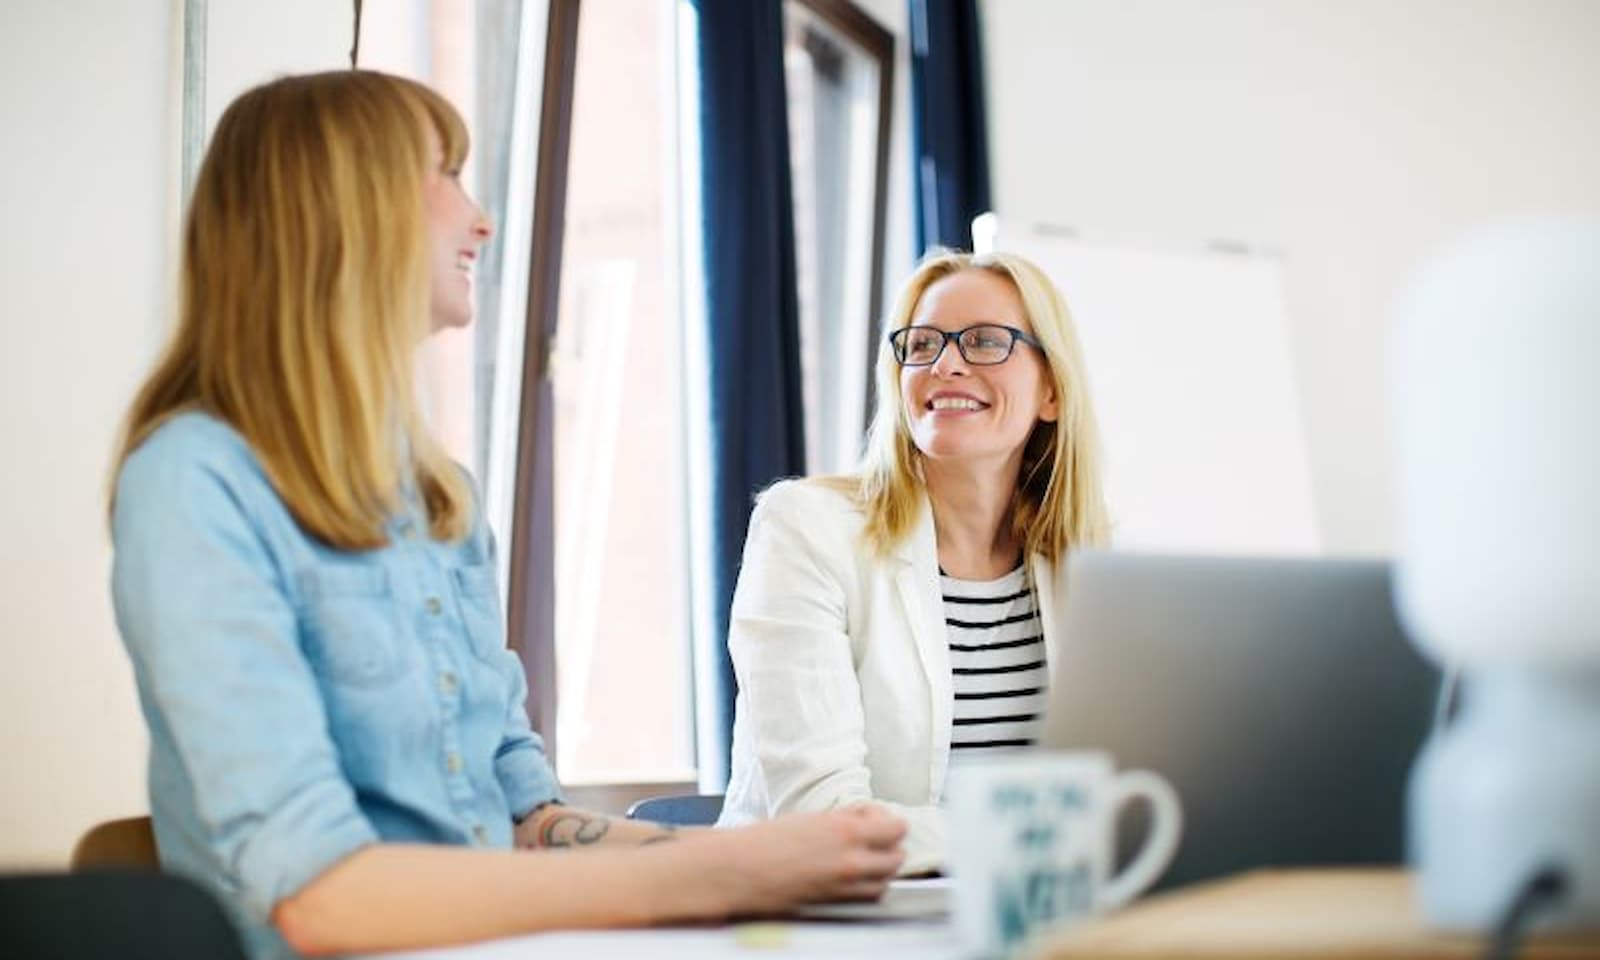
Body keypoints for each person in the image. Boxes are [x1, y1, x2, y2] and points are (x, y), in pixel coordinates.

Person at [108, 70, 904, 960]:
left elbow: (526, 817)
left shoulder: (439, 495)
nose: (479, 218)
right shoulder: (193, 482)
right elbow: (315, 896)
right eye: (442, 174)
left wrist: (772, 855)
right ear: (338, 206)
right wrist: (710, 877)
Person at [717, 249, 1110, 874]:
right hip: (825, 926)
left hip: (1027, 919)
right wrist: (1043, 834)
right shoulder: (806, 529)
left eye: (985, 341)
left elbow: (1131, 793)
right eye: (921, 344)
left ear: (1052, 391)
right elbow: (826, 823)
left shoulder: (1090, 564)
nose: (945, 363)